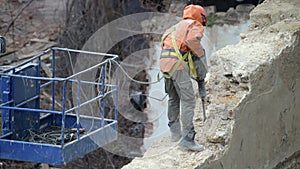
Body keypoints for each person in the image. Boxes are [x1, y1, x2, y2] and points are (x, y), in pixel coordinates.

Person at [159, 4, 208, 151]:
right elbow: (193, 43)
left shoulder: (174, 27)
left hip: (164, 62)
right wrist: (201, 58)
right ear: (201, 17)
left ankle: (175, 133)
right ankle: (187, 138)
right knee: (188, 100)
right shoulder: (194, 25)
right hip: (176, 64)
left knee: (173, 98)